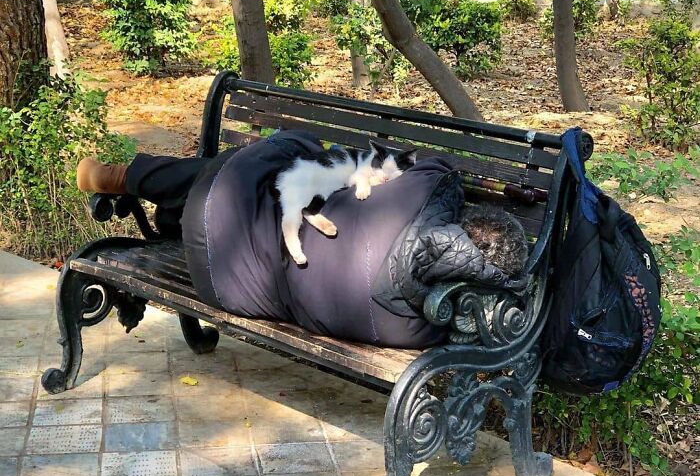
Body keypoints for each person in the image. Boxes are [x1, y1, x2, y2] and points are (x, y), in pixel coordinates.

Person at [77, 131, 528, 349]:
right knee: (240, 198)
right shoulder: (418, 330)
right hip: (225, 283)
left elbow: (432, 162)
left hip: (234, 217)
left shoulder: (431, 187)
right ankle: (159, 204)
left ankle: (122, 176)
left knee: (273, 163)